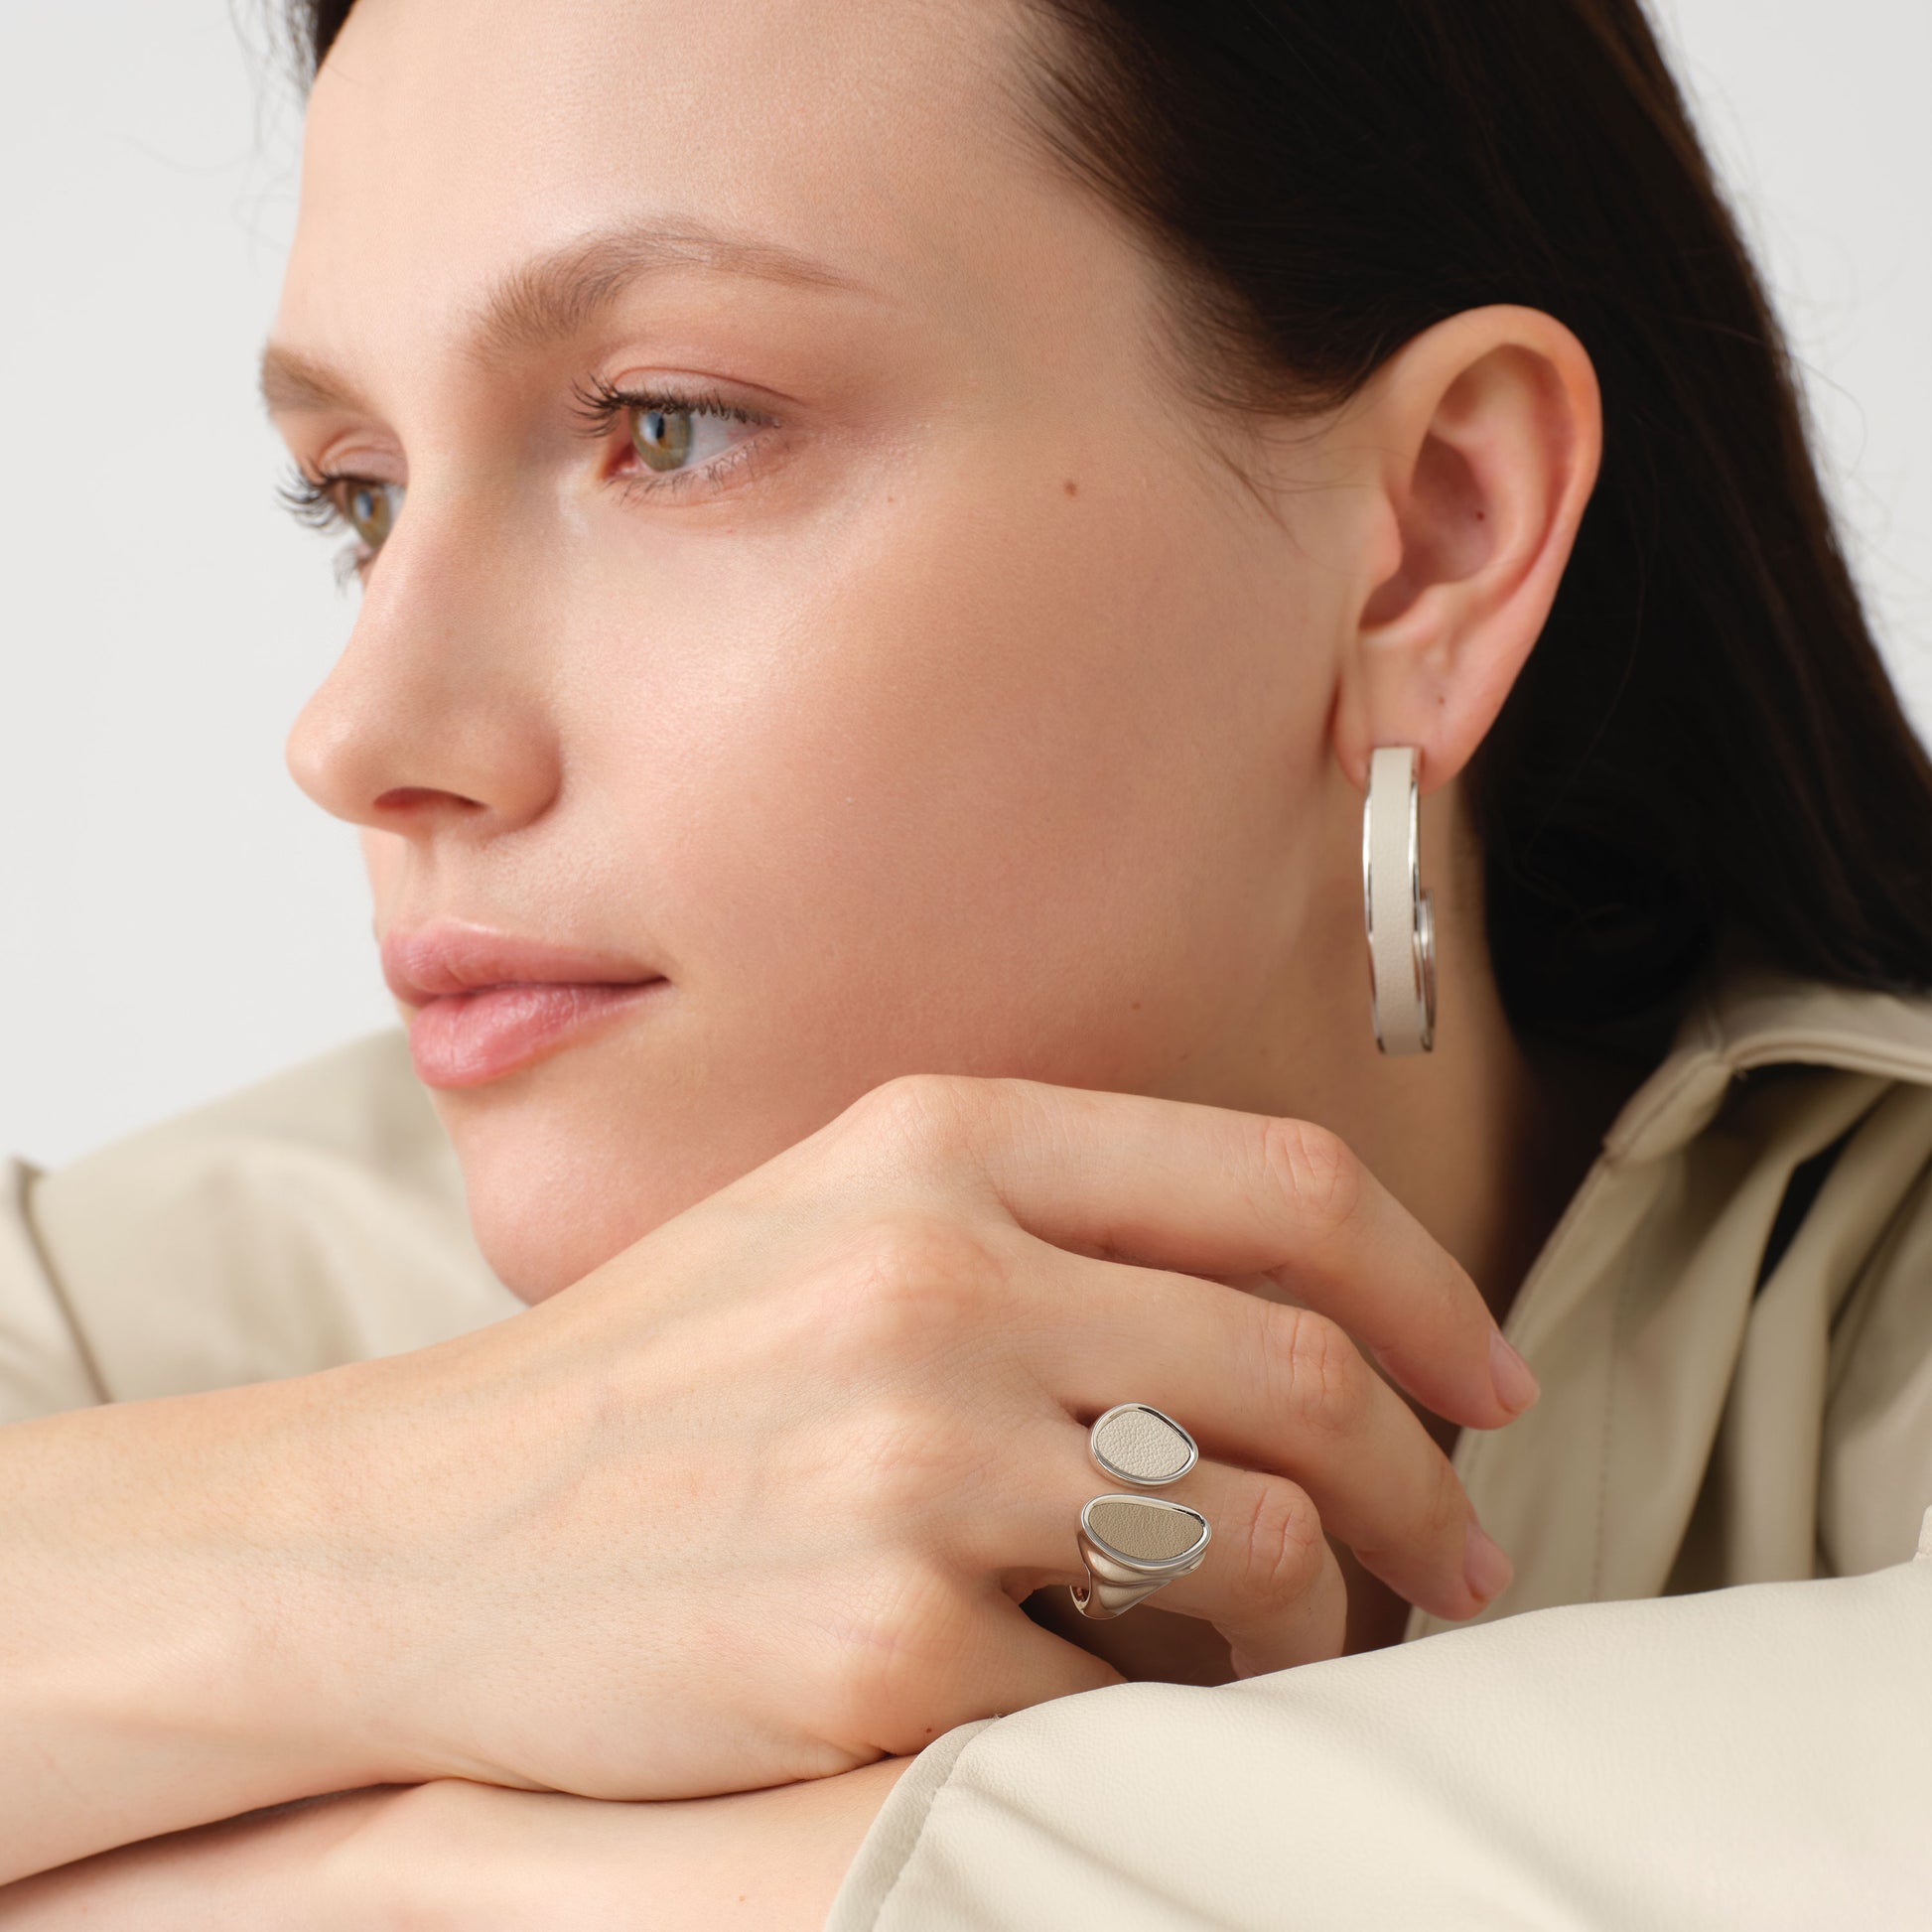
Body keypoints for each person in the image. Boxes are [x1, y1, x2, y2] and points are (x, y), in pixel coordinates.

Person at [2, 0, 1928, 1922]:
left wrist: (329, 1860)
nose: (355, 734)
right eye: (358, 493)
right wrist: (409, 1523)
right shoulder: (152, 1319)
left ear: (1427, 540)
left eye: (665, 429)